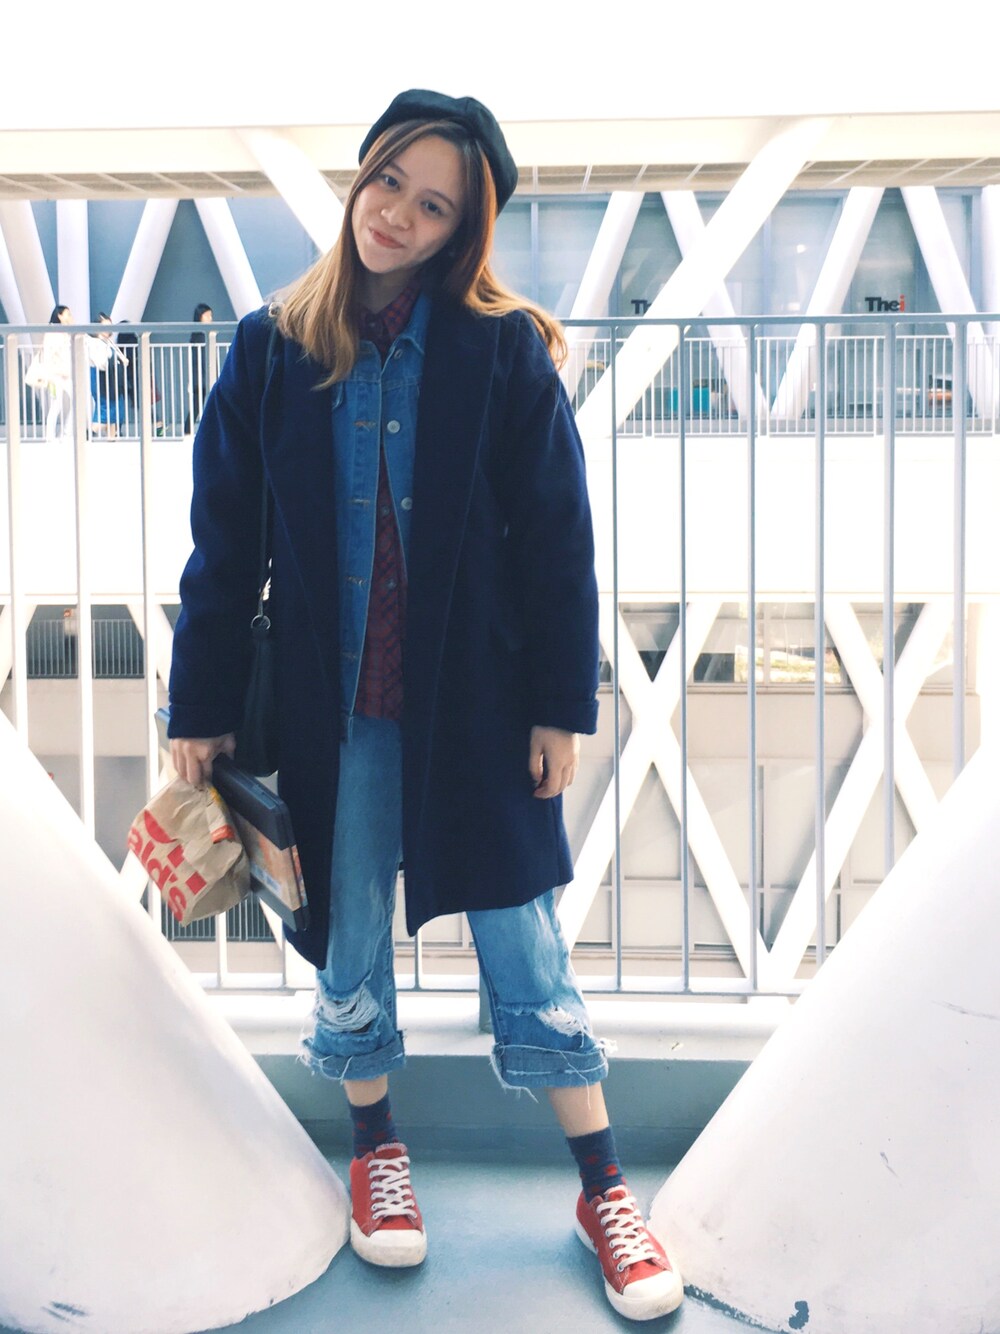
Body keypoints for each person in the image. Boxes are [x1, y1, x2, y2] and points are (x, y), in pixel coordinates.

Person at [167, 89, 683, 1322]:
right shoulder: (270, 348)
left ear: (463, 230)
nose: (398, 214)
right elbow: (223, 545)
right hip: (333, 714)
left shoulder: (499, 353)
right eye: (390, 181)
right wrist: (199, 704)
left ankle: (603, 1187)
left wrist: (558, 704)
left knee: (524, 938)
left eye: (433, 204)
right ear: (362, 177)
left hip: (479, 709)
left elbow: (558, 540)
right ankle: (378, 1150)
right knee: (347, 935)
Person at [87, 312, 128, 438]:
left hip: (110, 379)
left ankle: (112, 437)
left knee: (114, 409)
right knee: (107, 409)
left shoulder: (107, 342)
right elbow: (101, 363)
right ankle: (90, 433)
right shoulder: (95, 343)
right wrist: (116, 361)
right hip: (102, 379)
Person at [39, 305, 73, 440]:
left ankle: (66, 433)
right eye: (67, 314)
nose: (70, 317)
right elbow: (50, 354)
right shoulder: (52, 332)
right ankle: (51, 436)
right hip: (54, 374)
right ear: (59, 315)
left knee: (76, 400)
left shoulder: (64, 332)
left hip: (65, 373)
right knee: (56, 404)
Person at [184, 302, 213, 434]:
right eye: (207, 316)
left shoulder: (201, 335)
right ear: (200, 317)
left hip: (202, 375)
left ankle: (188, 429)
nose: (210, 319)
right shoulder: (199, 336)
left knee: (199, 402)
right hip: (200, 376)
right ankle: (188, 429)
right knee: (198, 402)